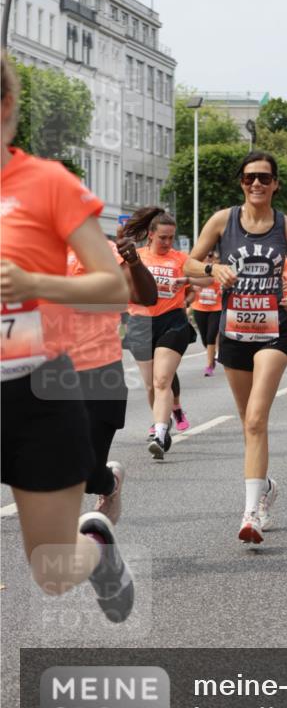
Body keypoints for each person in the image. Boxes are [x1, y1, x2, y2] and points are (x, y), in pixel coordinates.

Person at [0, 51, 133, 622]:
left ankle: (97, 551)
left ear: (6, 107)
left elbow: (112, 288)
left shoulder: (47, 183)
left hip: (35, 388)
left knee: (52, 572)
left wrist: (33, 282)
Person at [184, 151, 287, 545]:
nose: (257, 184)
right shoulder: (223, 220)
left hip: (273, 332)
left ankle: (251, 513)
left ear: (275, 184)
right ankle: (266, 485)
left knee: (256, 419)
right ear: (242, 182)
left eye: (264, 178)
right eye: (250, 177)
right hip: (233, 333)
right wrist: (211, 269)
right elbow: (188, 263)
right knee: (246, 422)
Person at [67, 223, 157, 524]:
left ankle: (108, 483)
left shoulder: (104, 252)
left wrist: (133, 261)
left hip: (98, 373)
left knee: (88, 474)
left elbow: (147, 297)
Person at [122, 209, 204, 460]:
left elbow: (209, 278)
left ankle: (160, 432)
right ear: (150, 235)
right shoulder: (135, 257)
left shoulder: (180, 257)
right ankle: (162, 419)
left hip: (172, 322)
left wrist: (186, 279)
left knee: (162, 380)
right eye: (163, 238)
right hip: (140, 322)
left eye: (171, 238)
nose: (168, 243)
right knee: (150, 384)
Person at [191, 249, 222, 376]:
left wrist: (222, 289)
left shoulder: (218, 270)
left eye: (210, 256)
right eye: (205, 256)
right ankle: (211, 355)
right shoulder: (195, 271)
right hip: (199, 308)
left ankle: (209, 366)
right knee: (204, 338)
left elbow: (224, 284)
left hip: (216, 308)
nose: (208, 258)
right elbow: (189, 287)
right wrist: (193, 286)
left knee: (211, 336)